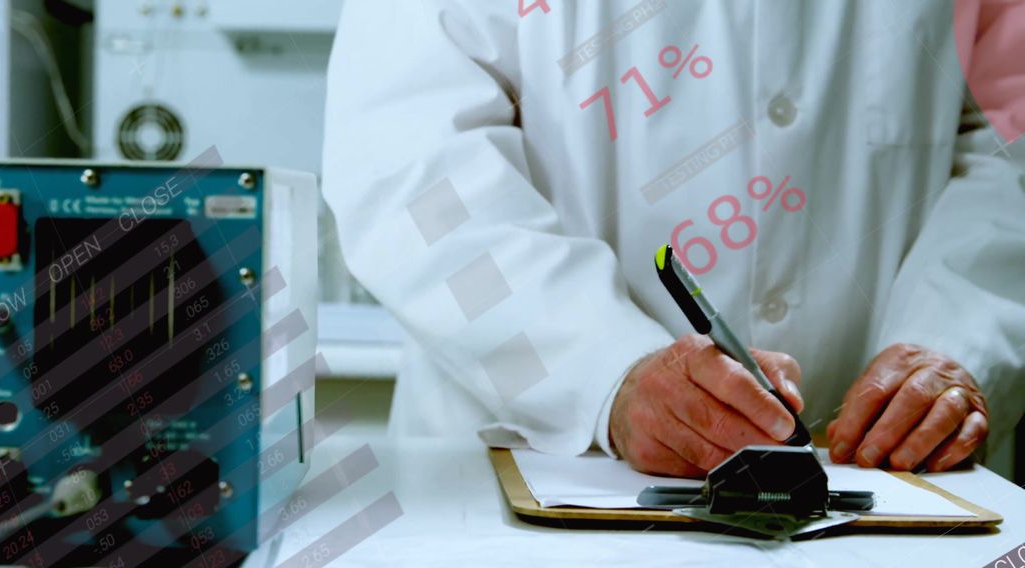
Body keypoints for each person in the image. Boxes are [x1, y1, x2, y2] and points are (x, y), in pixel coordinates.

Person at [321, 0, 1025, 476]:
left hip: (882, 487)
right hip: (536, 476)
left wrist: (955, 344)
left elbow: (1006, 141)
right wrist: (604, 371)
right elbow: (406, 172)